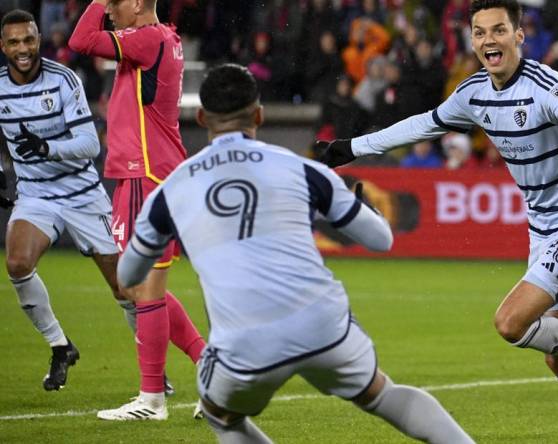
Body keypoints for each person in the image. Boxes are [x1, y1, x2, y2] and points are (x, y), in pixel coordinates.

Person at [313, 0, 558, 442]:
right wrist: (354, 147)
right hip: (543, 231)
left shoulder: (546, 85)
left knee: (510, 323)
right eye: (479, 33)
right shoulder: (473, 93)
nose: (488, 41)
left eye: (499, 30)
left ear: (519, 36)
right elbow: (424, 124)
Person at [116, 63, 475, 444]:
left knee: (221, 414)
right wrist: (362, 210)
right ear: (259, 115)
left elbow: (128, 276)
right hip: (321, 323)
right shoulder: (302, 169)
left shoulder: (172, 190)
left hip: (244, 342)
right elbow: (380, 240)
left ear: (202, 118)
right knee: (379, 393)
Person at [68, 0, 206, 420]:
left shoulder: (146, 39)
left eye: (114, 2)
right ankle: (211, 368)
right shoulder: (163, 38)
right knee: (143, 287)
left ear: (138, 4)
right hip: (153, 173)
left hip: (143, 174)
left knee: (140, 286)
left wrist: (93, 1)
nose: (108, 9)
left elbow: (79, 40)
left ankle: (152, 400)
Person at [0, 9, 121, 393]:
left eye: (29, 40)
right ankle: (60, 346)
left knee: (124, 288)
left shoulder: (64, 79)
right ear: (2, 46)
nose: (23, 49)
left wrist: (47, 147)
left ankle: (154, 374)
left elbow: (88, 145)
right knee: (17, 263)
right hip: (36, 195)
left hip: (83, 193)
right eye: (15, 42)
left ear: (39, 39)